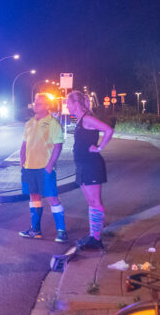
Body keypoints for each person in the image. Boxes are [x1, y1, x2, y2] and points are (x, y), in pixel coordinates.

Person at [65, 90, 113, 250]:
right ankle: (93, 235)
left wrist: (99, 148)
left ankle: (96, 239)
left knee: (95, 202)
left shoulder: (88, 119)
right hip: (83, 166)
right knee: (91, 203)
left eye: (68, 103)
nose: (67, 105)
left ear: (76, 104)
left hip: (92, 165)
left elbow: (108, 130)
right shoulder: (80, 121)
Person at [19, 93, 67, 242]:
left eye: (38, 103)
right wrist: (22, 163)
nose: (35, 105)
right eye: (35, 103)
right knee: (34, 198)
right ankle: (35, 230)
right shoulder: (29, 123)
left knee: (52, 198)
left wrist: (49, 166)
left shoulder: (53, 123)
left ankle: (61, 231)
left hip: (44, 168)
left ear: (47, 106)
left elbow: (58, 146)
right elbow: (24, 145)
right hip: (29, 168)